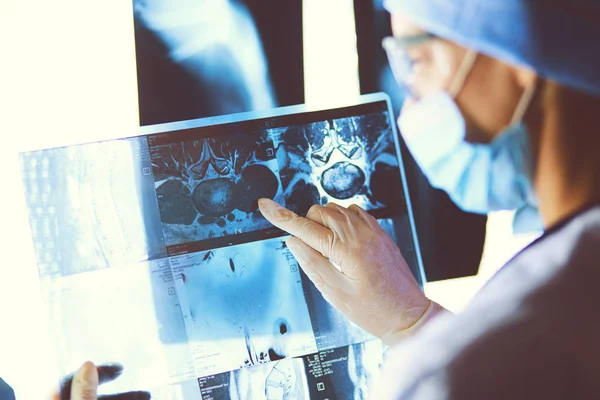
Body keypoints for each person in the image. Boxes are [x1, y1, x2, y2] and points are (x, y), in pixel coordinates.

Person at [257, 0, 600, 398]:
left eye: (415, 62)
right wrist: (415, 323)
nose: (411, 105)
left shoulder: (455, 374)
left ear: (515, 55)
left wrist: (436, 354)